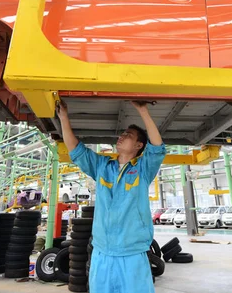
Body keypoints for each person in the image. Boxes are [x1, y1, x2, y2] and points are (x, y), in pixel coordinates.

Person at [57, 101, 166, 293]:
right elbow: (75, 149)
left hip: (132, 253)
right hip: (102, 253)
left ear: (139, 145)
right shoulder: (102, 166)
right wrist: (63, 117)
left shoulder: (142, 169)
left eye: (128, 135)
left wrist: (143, 111)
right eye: (122, 134)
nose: (121, 137)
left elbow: (157, 146)